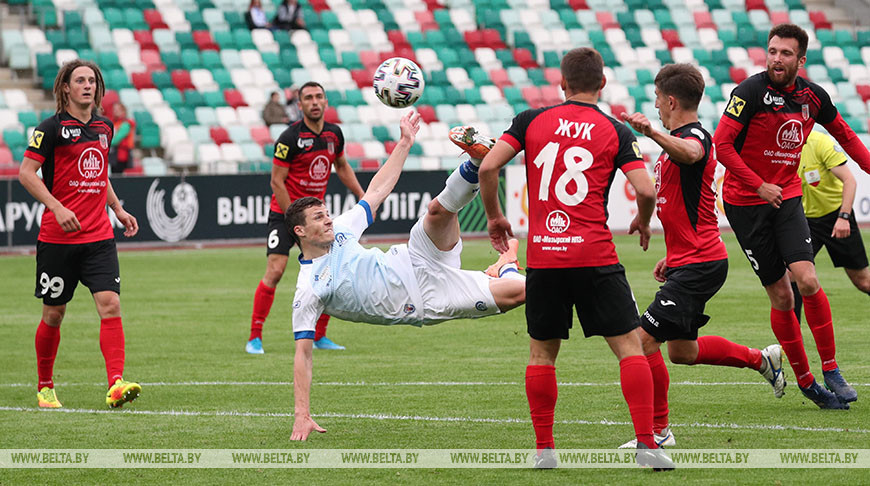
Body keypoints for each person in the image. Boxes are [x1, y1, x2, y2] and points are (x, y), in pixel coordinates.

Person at [479, 47, 673, 470]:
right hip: (595, 255)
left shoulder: (531, 121)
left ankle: (545, 451)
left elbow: (488, 168)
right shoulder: (616, 130)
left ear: (561, 83)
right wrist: (642, 222)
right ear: (602, 84)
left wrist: (495, 218)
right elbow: (645, 190)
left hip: (546, 257)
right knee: (629, 349)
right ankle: (647, 446)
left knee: (541, 355)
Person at [289, 112, 526, 441]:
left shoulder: (342, 230)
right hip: (427, 300)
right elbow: (303, 354)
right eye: (319, 218)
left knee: (437, 212)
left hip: (415, 257)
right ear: (300, 231)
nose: (329, 220)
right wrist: (302, 415)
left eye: (327, 213)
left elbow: (375, 192)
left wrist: (404, 143)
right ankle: (508, 264)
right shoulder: (309, 289)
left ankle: (474, 164)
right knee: (521, 293)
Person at [618, 64, 784, 449]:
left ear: (671, 100)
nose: (656, 106)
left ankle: (659, 432)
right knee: (682, 351)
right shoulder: (675, 140)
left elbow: (693, 153)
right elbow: (681, 205)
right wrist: (671, 254)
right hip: (689, 259)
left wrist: (652, 132)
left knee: (642, 341)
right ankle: (762, 359)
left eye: (659, 99)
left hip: (702, 261)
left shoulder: (692, 136)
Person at [712, 23, 870, 408]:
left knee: (808, 280)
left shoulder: (813, 97)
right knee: (782, 296)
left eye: (785, 53)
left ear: (801, 60)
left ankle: (831, 368)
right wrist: (757, 184)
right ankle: (806, 381)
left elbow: (847, 136)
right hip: (746, 205)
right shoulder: (748, 92)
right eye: (772, 51)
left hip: (787, 199)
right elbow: (722, 145)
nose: (776, 59)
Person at [18, 59, 141, 409]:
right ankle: (45, 385)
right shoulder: (50, 128)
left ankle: (115, 383)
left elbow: (100, 175)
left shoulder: (105, 127)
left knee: (111, 304)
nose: (87, 85)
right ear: (66, 88)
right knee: (54, 314)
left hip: (98, 237)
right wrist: (56, 206)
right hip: (58, 239)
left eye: (92, 81)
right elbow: (27, 173)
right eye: (80, 80)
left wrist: (116, 208)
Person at [246, 81, 365, 354]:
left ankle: (320, 336)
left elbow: (342, 165)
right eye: (308, 98)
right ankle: (255, 337)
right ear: (299, 105)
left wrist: (361, 194)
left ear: (325, 103)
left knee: (331, 272)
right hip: (284, 214)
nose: (314, 101)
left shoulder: (335, 135)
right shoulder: (289, 138)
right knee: (275, 271)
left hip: (315, 220)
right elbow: (277, 181)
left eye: (319, 97)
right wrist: (293, 218)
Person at [791, 131, 870, 327]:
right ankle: (792, 339)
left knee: (863, 281)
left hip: (836, 217)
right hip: (805, 222)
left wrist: (843, 217)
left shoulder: (821, 142)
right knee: (793, 276)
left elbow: (850, 181)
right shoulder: (780, 149)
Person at [108, 102, 135, 174]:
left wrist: (105, 143)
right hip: (114, 155)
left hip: (121, 156)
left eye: (117, 109)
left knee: (118, 174)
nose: (115, 111)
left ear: (123, 111)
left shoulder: (125, 124)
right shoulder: (115, 123)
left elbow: (116, 140)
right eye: (114, 109)